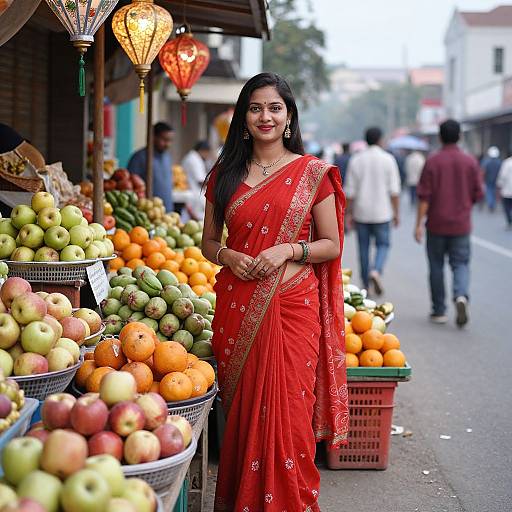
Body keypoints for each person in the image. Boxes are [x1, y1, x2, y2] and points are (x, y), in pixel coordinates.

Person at [202, 72, 348, 511]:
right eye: (255, 107)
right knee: (245, 419)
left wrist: (288, 248)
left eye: (274, 108)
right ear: (243, 118)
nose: (265, 116)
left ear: (289, 117)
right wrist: (227, 256)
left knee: (291, 418)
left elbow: (331, 243)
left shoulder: (312, 173)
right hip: (238, 308)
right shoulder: (224, 176)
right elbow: (209, 243)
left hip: (292, 310)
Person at [415, 119, 483, 326]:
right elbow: (478, 194)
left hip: (436, 224)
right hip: (461, 224)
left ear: (441, 137)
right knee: (460, 263)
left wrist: (418, 224)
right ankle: (461, 294)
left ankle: (439, 311)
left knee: (436, 266)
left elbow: (424, 197)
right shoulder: (470, 161)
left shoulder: (433, 161)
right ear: (460, 136)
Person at [345, 127, 401, 295]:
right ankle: (376, 270)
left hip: (361, 212)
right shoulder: (388, 159)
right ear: (380, 140)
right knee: (383, 244)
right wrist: (396, 213)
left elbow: (350, 192)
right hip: (382, 212)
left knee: (363, 248)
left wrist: (348, 213)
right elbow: (394, 191)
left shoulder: (356, 159)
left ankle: (365, 285)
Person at [127, 122, 174, 212]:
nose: (167, 144)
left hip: (167, 212)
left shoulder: (167, 157)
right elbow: (130, 187)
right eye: (164, 139)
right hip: (147, 212)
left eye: (170, 140)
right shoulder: (139, 157)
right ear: (153, 137)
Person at [181, 141, 211, 219]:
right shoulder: (194, 159)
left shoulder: (192, 157)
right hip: (193, 196)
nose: (207, 156)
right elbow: (201, 181)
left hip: (192, 195)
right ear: (203, 150)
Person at [480, 146, 502, 211]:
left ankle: (490, 204)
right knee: (494, 192)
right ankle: (492, 204)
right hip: (496, 180)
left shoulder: (486, 162)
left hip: (488, 180)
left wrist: (482, 180)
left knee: (489, 192)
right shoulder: (499, 162)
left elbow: (483, 171)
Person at [497, 153, 512, 229]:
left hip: (507, 189)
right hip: (507, 189)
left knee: (507, 207)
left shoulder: (506, 163)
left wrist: (499, 185)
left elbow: (503, 176)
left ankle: (509, 221)